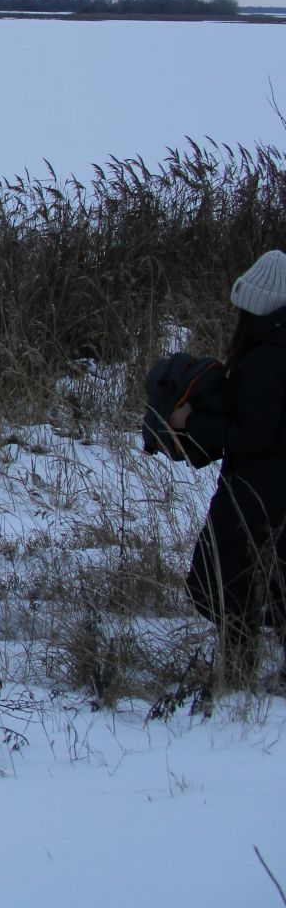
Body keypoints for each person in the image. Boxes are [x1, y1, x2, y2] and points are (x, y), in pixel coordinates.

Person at [174, 249, 286, 690]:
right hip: (270, 486)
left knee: (214, 577)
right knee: (273, 578)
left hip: (258, 488)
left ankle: (237, 668)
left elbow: (253, 433)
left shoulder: (266, 358)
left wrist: (191, 423)